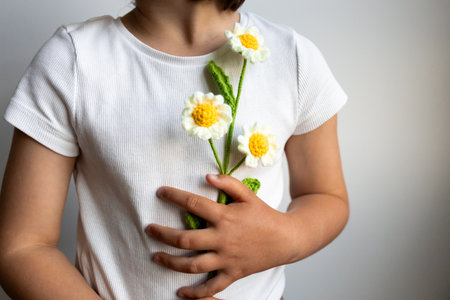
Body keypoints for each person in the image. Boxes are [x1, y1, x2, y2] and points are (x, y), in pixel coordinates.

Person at [0, 0, 349, 299]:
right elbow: (21, 248)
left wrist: (285, 238)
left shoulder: (294, 58)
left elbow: (325, 196)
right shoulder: (73, 61)